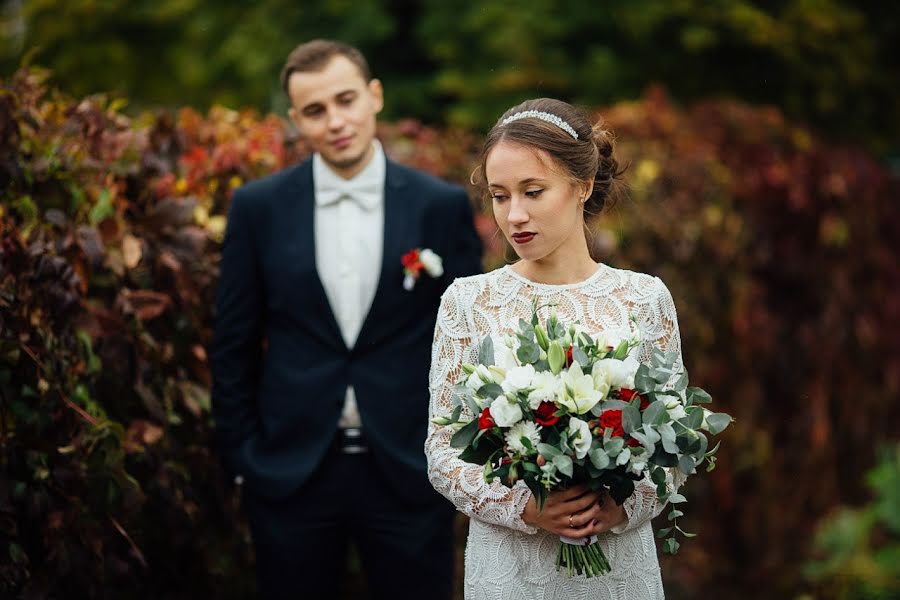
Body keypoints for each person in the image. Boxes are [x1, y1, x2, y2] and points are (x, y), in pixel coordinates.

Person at [211, 39, 483, 599]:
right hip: (291, 474)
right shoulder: (257, 207)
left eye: (346, 100)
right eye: (315, 110)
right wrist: (246, 459)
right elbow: (233, 342)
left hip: (410, 470)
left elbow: (468, 345)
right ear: (296, 121)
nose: (335, 121)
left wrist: (455, 455)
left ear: (374, 96)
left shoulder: (441, 206)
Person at [425, 98, 684, 599]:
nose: (514, 214)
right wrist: (524, 506)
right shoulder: (467, 302)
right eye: (499, 196)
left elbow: (672, 443)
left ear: (583, 185)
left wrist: (623, 506)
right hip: (510, 565)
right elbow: (442, 450)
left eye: (533, 191)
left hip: (616, 561)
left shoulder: (644, 298)